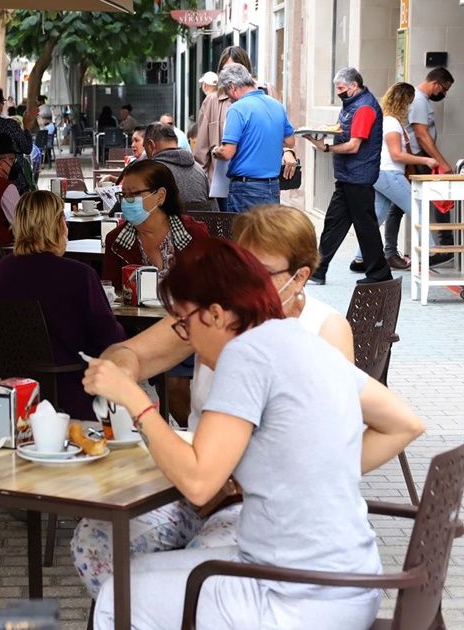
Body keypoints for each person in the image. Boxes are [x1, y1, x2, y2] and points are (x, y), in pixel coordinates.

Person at [83, 238, 425, 629]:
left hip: (295, 596)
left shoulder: (244, 355)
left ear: (214, 314)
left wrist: (134, 400)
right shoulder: (301, 340)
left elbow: (198, 482)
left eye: (184, 323)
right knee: (138, 576)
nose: (188, 339)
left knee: (117, 596)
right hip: (351, 581)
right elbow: (405, 421)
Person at [69, 205, 369, 600]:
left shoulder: (322, 331)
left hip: (252, 505)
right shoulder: (214, 314)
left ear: (299, 277)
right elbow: (128, 353)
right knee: (95, 540)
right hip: (186, 485)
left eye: (258, 272)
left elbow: (341, 446)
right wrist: (122, 370)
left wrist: (260, 479)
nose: (241, 282)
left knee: (201, 572)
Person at [0, 190, 126, 419]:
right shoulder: (79, 275)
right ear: (60, 225)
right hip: (69, 393)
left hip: (11, 392)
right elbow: (109, 338)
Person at [303, 67, 392, 285]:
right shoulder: (353, 105)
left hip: (358, 175)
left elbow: (353, 146)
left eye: (341, 88)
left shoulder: (364, 108)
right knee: (335, 222)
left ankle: (379, 273)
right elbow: (346, 133)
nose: (339, 93)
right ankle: (318, 270)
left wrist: (326, 149)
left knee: (364, 225)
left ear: (354, 86)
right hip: (348, 175)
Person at [349, 82, 438, 272]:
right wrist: (426, 160)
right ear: (403, 102)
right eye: (410, 102)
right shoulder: (391, 122)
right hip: (390, 174)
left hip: (382, 175)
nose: (412, 107)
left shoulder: (387, 121)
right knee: (418, 208)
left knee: (376, 218)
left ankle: (360, 258)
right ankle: (430, 252)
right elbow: (396, 154)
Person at [101, 159, 209, 285]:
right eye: (123, 195)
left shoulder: (194, 233)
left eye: (135, 194)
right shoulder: (116, 241)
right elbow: (111, 290)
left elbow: (208, 285)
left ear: (160, 195)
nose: (126, 201)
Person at [210, 63, 297, 213]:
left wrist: (216, 150)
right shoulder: (277, 105)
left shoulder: (237, 109)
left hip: (246, 189)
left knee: (243, 235)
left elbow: (227, 152)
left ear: (232, 86)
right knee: (267, 235)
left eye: (226, 91)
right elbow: (290, 141)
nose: (228, 98)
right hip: (273, 187)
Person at [406, 66, 457, 268]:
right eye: (444, 89)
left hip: (419, 156)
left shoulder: (419, 99)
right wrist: (441, 162)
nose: (443, 94)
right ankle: (445, 245)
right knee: (439, 193)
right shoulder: (418, 100)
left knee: (398, 205)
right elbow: (422, 135)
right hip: (420, 156)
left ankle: (390, 250)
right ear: (435, 83)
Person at [193, 46, 251, 209]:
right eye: (225, 70)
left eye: (235, 69)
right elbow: (201, 152)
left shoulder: (262, 94)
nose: (229, 76)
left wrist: (288, 152)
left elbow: (280, 132)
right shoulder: (212, 101)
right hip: (222, 185)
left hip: (256, 184)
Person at [144, 123, 209, 211]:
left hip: (168, 223)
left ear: (151, 145)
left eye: (145, 148)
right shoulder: (199, 169)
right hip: (200, 223)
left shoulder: (151, 171)